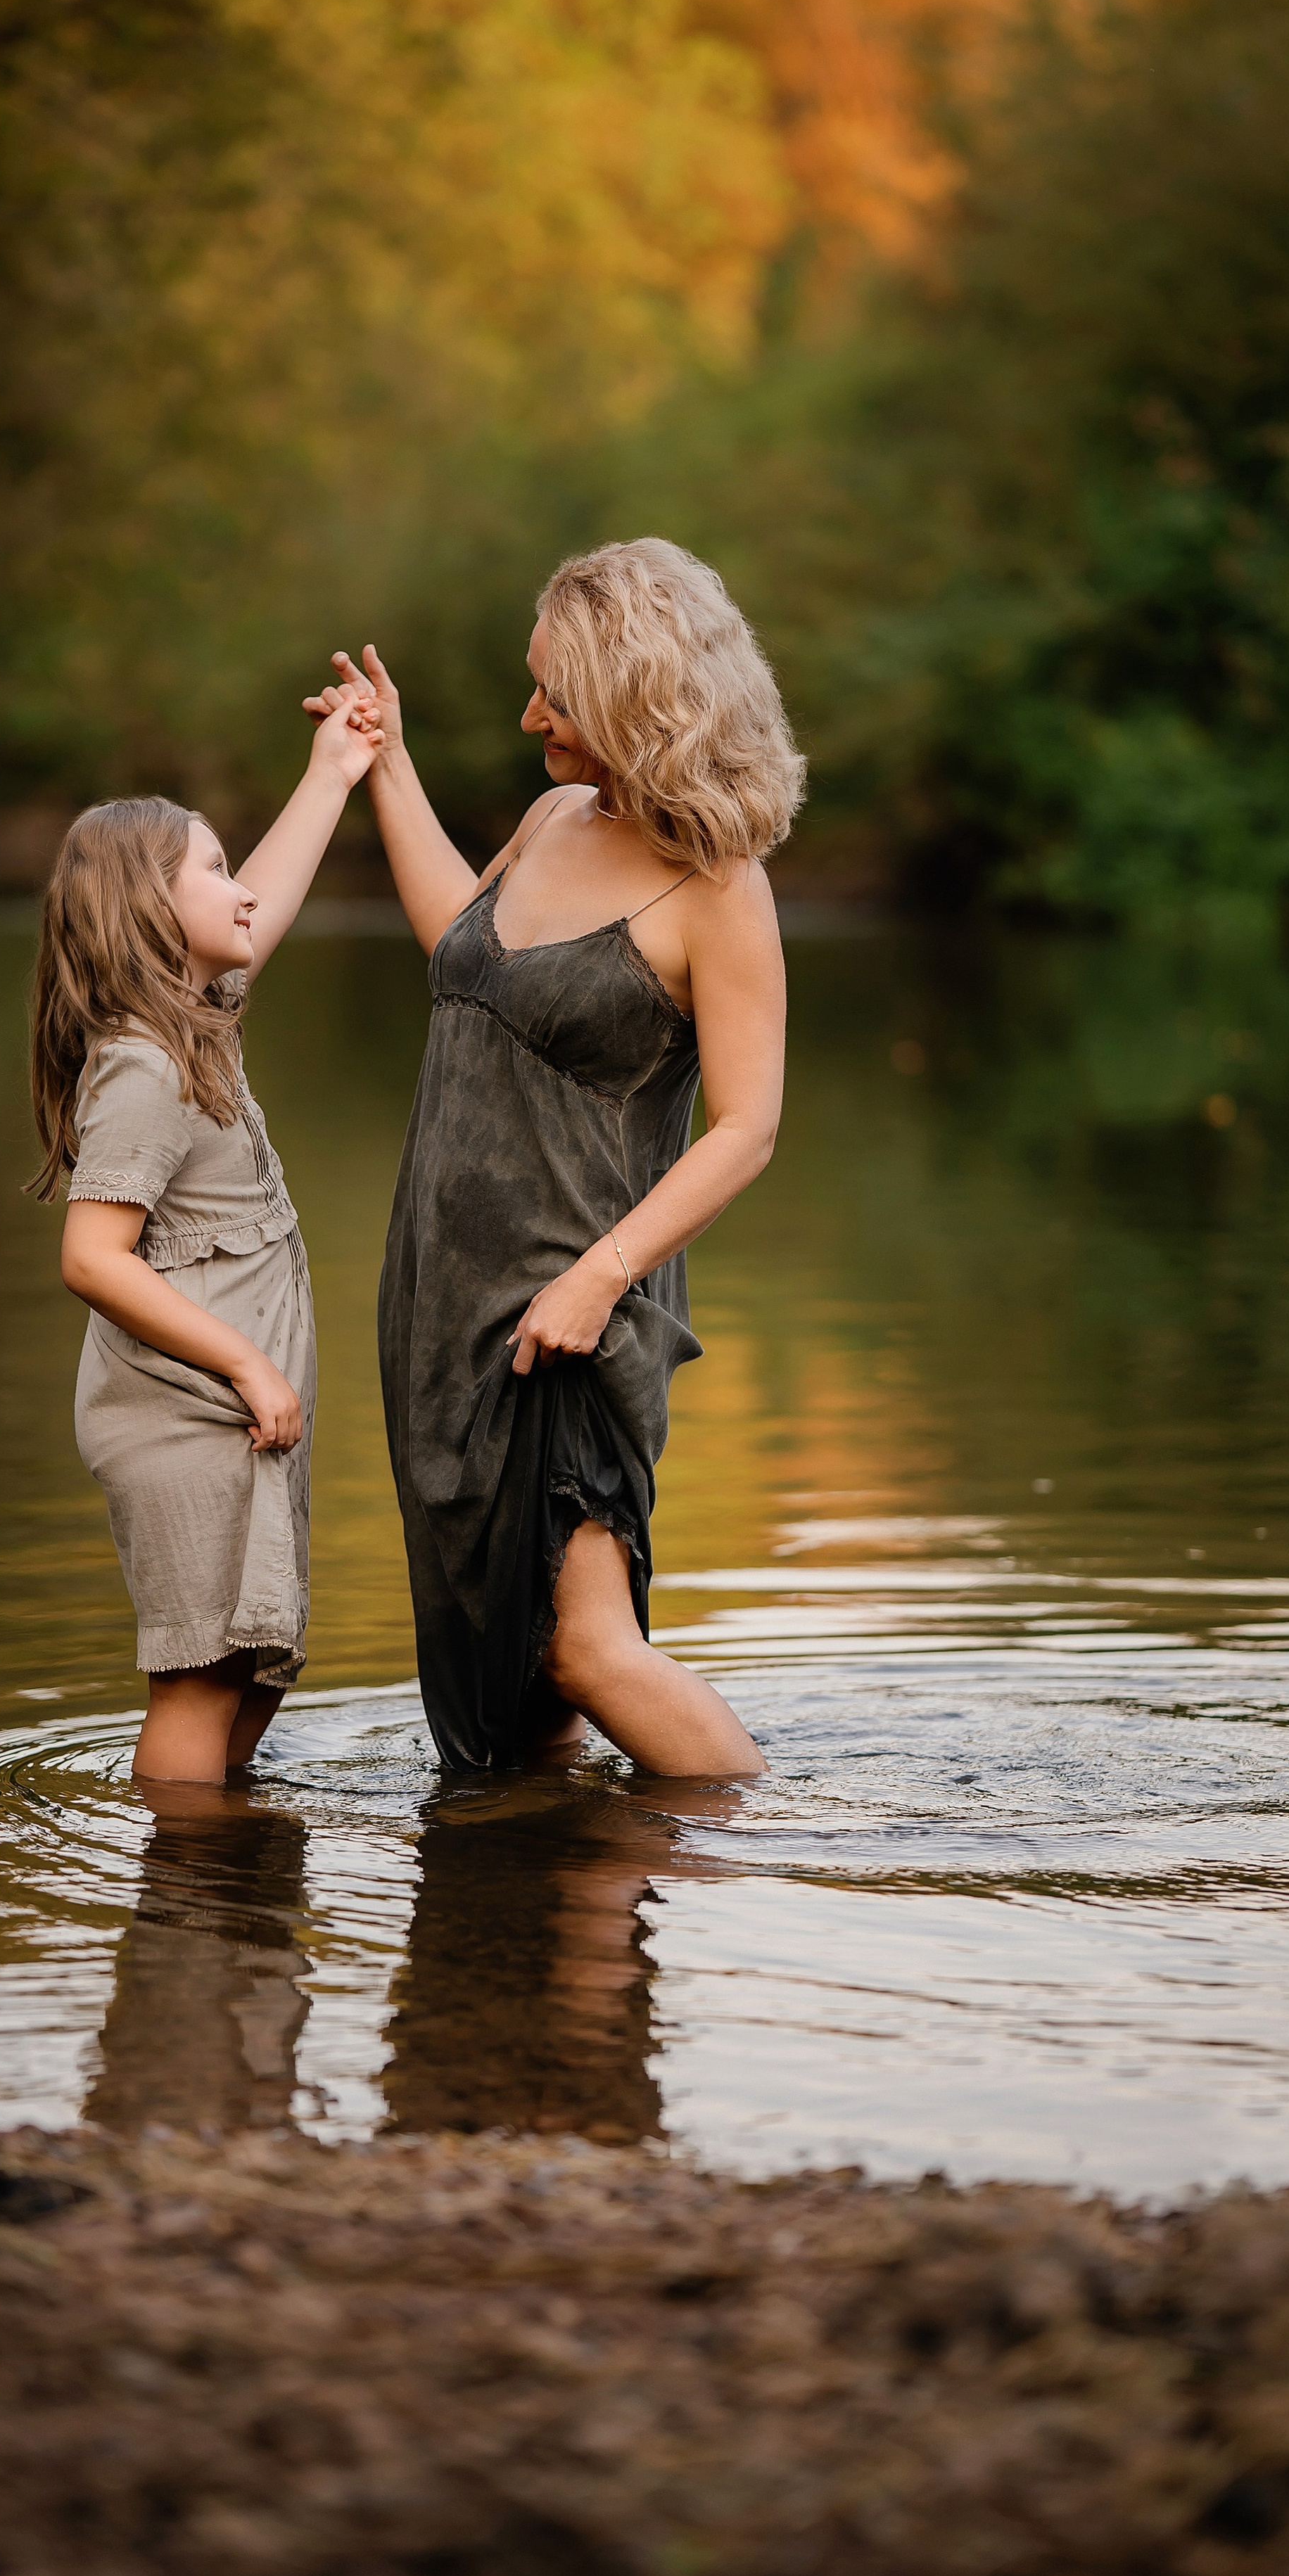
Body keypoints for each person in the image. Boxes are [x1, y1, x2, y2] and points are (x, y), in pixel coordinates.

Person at [315, 536, 802, 1778]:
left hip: (571, 1316)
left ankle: (784, 1838)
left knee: (585, 1648)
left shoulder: (719, 885)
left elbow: (747, 1125)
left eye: (555, 692)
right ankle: (543, 1924)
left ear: (634, 699)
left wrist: (599, 1280)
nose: (529, 712)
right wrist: (388, 765)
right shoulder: (547, 819)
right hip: (444, 1301)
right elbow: (462, 955)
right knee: (513, 1680)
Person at [27, 684, 381, 1786]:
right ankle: (187, 1910)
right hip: (190, 1418)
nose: (243, 891)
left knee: (247, 1674)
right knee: (200, 1678)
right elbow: (91, 1258)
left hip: (237, 1417)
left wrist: (331, 772)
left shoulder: (195, 1026)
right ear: (148, 908)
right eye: (216, 869)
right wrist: (245, 1365)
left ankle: (222, 1900)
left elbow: (252, 917)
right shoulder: (141, 1065)